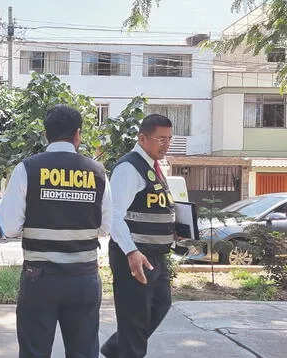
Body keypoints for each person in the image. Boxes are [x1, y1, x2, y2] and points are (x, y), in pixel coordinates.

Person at [0, 104, 112, 357]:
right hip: (83, 279)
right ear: (78, 134)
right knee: (83, 351)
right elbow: (106, 227)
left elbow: (8, 228)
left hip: (39, 280)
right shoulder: (97, 172)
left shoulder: (27, 169)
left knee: (34, 352)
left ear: (45, 134)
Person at [101, 114, 176, 358]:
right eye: (161, 139)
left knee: (160, 305)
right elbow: (113, 215)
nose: (166, 145)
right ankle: (123, 351)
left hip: (155, 255)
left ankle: (115, 349)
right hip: (134, 256)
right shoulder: (129, 168)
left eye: (169, 139)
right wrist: (131, 252)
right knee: (135, 318)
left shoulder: (154, 167)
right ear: (142, 138)